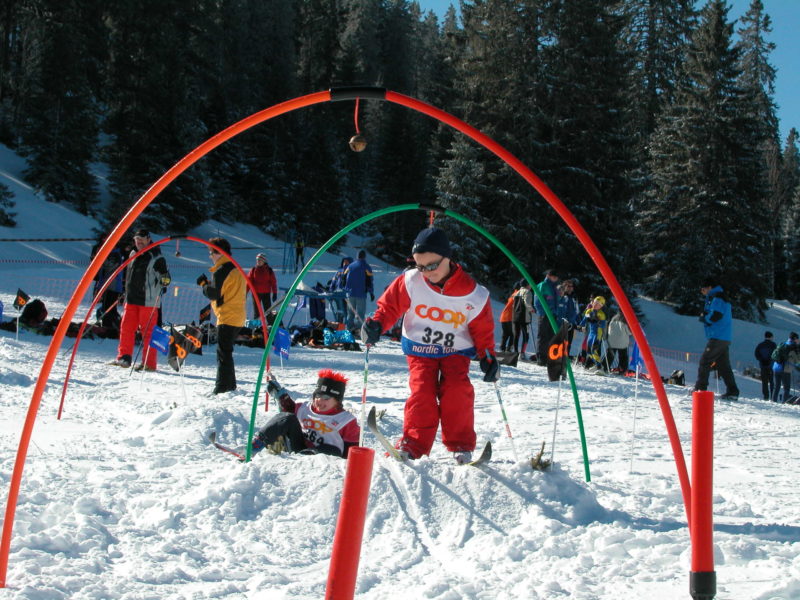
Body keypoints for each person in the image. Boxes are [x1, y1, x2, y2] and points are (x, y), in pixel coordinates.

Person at [361, 227, 498, 464]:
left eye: (432, 265)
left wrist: (487, 356)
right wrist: (377, 324)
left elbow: (482, 329)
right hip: (420, 348)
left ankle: (461, 444)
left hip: (455, 350)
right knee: (422, 390)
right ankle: (413, 444)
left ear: (448, 257)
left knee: (457, 390)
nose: (426, 272)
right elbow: (389, 307)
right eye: (420, 266)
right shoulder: (412, 281)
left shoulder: (474, 294)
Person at [251, 369, 360, 458]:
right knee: (286, 417)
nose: (320, 401)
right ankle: (256, 444)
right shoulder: (305, 409)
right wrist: (280, 395)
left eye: (326, 398)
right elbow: (287, 413)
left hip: (328, 457)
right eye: (317, 396)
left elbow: (352, 449)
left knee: (332, 449)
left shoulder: (345, 420)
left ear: (337, 401)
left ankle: (308, 455)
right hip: (300, 449)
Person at [109, 229, 170, 371]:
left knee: (148, 332)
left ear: (148, 239)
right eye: (137, 240)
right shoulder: (133, 253)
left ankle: (149, 363)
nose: (139, 242)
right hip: (131, 299)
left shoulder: (156, 257)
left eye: (142, 239)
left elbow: (165, 278)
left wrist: (164, 281)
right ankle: (124, 357)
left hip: (148, 301)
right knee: (126, 328)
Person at [197, 237, 246, 394]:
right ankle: (230, 385)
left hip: (227, 316)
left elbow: (214, 294)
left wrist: (204, 285)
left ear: (219, 253)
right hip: (238, 316)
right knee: (226, 351)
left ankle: (222, 387)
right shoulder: (235, 268)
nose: (210, 256)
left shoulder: (221, 271)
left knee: (223, 353)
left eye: (212, 253)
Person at [693, 280, 739, 400]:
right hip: (723, 336)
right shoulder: (718, 297)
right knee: (723, 366)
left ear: (709, 287)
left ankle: (700, 389)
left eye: (703, 289)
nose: (702, 291)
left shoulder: (718, 298)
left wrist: (705, 318)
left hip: (718, 336)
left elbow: (716, 315)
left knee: (705, 361)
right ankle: (733, 391)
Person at [533, 269, 560, 366]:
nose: (555, 278)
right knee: (543, 336)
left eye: (556, 277)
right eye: (554, 277)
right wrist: (542, 313)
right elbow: (537, 301)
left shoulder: (555, 287)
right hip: (545, 315)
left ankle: (549, 357)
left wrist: (556, 313)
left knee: (551, 337)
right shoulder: (543, 285)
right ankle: (541, 358)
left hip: (553, 315)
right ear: (548, 276)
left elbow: (557, 301)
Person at [343, 249, 374, 330]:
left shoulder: (350, 266)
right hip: (361, 294)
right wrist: (371, 292)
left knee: (350, 313)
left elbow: (343, 278)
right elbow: (369, 281)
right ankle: (359, 330)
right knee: (360, 314)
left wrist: (345, 289)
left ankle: (348, 329)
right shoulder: (366, 267)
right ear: (364, 257)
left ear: (357, 256)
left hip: (350, 293)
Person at [579, 296, 607, 371]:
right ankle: (596, 364)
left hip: (597, 334)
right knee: (588, 351)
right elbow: (584, 320)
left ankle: (599, 367)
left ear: (601, 306)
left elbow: (603, 325)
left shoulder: (601, 314)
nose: (596, 305)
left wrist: (598, 321)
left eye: (598, 304)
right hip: (591, 334)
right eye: (595, 302)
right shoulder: (589, 311)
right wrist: (580, 326)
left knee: (593, 350)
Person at [247, 253, 277, 319]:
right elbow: (248, 282)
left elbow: (273, 282)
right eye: (257, 260)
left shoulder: (269, 270)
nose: (258, 261)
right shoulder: (253, 270)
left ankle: (270, 323)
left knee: (268, 311)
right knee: (256, 312)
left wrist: (274, 293)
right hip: (256, 294)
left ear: (264, 261)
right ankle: (257, 324)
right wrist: (245, 292)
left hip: (266, 293)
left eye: (260, 260)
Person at [771, 332, 799, 403]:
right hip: (785, 369)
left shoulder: (782, 344)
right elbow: (797, 360)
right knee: (786, 388)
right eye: (797, 338)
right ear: (795, 339)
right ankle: (784, 402)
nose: (798, 340)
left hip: (776, 367)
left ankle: (773, 401)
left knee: (776, 386)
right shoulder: (793, 347)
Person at [555, 279, 580, 356]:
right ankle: (557, 357)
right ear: (564, 287)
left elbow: (577, 311)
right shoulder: (562, 297)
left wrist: (578, 323)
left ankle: (565, 358)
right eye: (568, 286)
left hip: (571, 324)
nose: (570, 288)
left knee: (568, 343)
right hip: (563, 323)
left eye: (571, 286)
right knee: (560, 342)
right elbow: (560, 310)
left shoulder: (574, 298)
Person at [511, 280, 534, 359]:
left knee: (516, 335)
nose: (531, 286)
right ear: (527, 285)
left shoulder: (516, 293)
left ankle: (515, 352)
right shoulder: (528, 292)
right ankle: (522, 353)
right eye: (530, 284)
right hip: (525, 318)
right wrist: (532, 309)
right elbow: (527, 303)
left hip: (515, 316)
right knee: (526, 335)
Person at [328, 256, 353, 323]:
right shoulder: (339, 271)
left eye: (346, 262)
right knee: (340, 311)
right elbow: (333, 281)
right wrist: (331, 290)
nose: (344, 263)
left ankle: (347, 325)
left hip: (348, 295)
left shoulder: (352, 271)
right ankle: (340, 324)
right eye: (344, 261)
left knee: (347, 312)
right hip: (338, 294)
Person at [754, 331, 777, 400]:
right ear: (771, 337)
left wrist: (761, 359)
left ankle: (766, 396)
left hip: (762, 365)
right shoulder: (773, 345)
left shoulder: (760, 345)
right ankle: (772, 395)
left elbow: (756, 354)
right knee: (771, 381)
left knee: (764, 382)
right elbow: (775, 355)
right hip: (770, 366)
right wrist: (770, 360)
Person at [498, 281, 519, 352]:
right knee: (513, 334)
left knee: (506, 334)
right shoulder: (519, 294)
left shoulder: (513, 294)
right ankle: (509, 349)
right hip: (510, 317)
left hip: (503, 316)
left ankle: (502, 348)